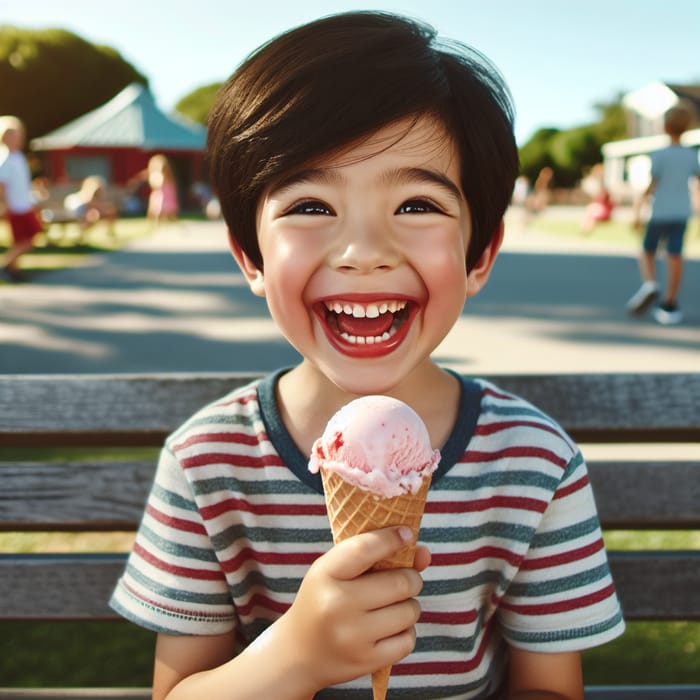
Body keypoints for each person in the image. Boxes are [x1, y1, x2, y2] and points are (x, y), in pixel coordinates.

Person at [110, 12, 625, 700]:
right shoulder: (206, 463)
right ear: (250, 257)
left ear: (480, 255)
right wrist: (293, 657)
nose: (363, 252)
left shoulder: (534, 462)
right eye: (310, 205)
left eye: (416, 204)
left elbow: (550, 690)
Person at [626, 104, 700, 324]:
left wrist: (638, 209)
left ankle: (651, 283)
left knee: (648, 250)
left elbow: (652, 185)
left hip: (660, 212)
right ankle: (670, 301)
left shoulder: (659, 155)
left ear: (665, 127)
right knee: (674, 254)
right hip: (681, 212)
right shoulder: (690, 155)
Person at [0, 115, 44, 282]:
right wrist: (5, 205)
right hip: (15, 206)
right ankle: (7, 265)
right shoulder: (4, 160)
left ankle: (12, 267)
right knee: (24, 239)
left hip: (24, 203)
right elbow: (1, 186)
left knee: (29, 237)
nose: (17, 139)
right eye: (12, 135)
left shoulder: (19, 157)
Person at [146, 154, 179, 223]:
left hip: (165, 196)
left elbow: (172, 187)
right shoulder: (156, 175)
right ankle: (156, 223)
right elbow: (155, 185)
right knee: (158, 210)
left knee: (169, 210)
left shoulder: (168, 176)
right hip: (160, 196)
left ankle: (171, 221)